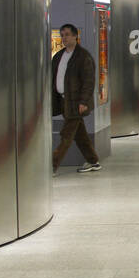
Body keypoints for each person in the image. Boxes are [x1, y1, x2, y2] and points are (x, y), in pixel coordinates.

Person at [52, 23, 101, 173]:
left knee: (67, 134)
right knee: (80, 135)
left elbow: (88, 81)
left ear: (75, 36)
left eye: (67, 34)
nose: (64, 38)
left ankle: (51, 166)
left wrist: (84, 101)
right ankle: (93, 161)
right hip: (63, 101)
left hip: (76, 102)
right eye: (62, 35)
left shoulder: (83, 57)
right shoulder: (59, 56)